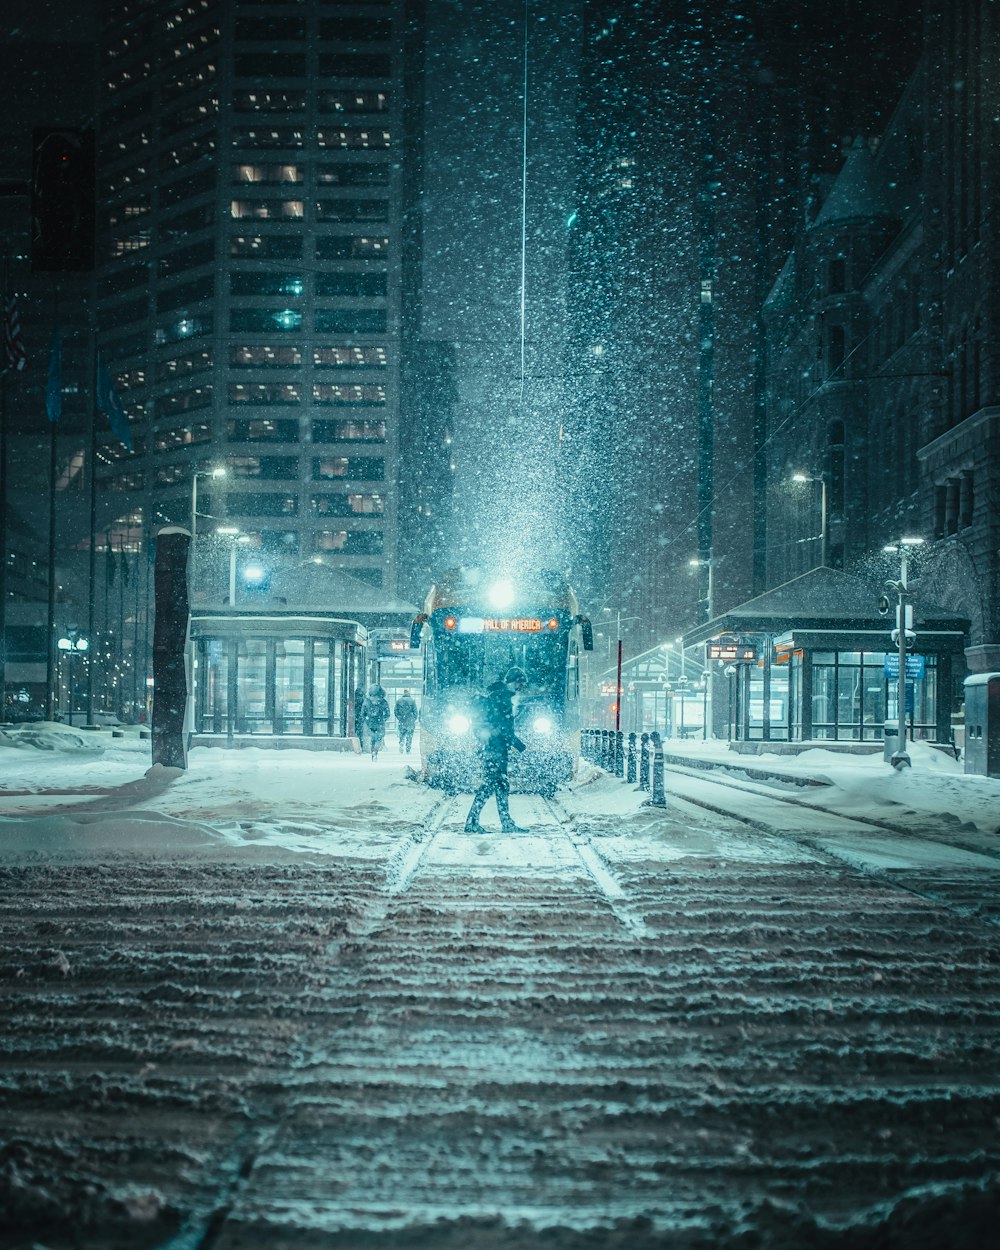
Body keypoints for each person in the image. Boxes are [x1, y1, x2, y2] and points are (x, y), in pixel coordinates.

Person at [464, 666, 529, 834]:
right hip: (495, 749)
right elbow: (503, 727)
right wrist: (519, 745)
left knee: (499, 785)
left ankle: (504, 823)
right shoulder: (502, 698)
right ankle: (474, 822)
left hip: (492, 748)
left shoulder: (497, 695)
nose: (521, 688)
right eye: (520, 684)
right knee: (491, 786)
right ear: (514, 682)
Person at [359, 684, 390, 761]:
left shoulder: (367, 701)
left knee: (373, 738)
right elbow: (387, 713)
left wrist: (367, 720)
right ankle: (375, 751)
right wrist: (383, 719)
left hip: (370, 723)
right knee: (379, 738)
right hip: (380, 723)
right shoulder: (383, 701)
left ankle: (373, 751)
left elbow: (363, 713)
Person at [394, 689, 418, 754]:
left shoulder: (399, 701)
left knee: (402, 734)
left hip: (402, 721)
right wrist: (413, 719)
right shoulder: (412, 701)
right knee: (409, 736)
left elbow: (396, 711)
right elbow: (415, 712)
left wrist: (399, 718)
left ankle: (401, 743)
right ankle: (408, 749)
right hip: (410, 721)